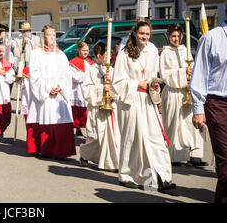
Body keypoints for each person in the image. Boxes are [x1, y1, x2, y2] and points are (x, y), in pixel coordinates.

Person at [112, 19, 176, 192]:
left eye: (147, 34)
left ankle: (162, 177)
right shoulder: (125, 52)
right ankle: (126, 175)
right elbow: (117, 82)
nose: (144, 37)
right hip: (130, 100)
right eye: (141, 33)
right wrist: (136, 84)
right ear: (134, 33)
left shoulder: (153, 50)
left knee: (155, 138)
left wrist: (155, 85)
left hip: (148, 100)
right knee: (132, 139)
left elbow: (154, 75)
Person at [191, 10, 227, 203]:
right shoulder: (211, 38)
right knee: (226, 162)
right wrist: (198, 109)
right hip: (218, 103)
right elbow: (199, 75)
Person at [160, 23, 207, 167]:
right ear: (168, 37)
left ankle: (195, 154)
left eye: (179, 36)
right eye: (173, 36)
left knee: (191, 122)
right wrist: (183, 72)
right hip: (173, 92)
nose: (176, 39)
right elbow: (164, 74)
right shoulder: (165, 53)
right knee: (175, 124)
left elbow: (193, 68)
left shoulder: (185, 50)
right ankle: (176, 155)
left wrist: (191, 73)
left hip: (186, 91)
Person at [28, 25, 76, 159]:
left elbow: (67, 74)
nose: (51, 38)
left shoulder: (61, 55)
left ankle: (61, 151)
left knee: (60, 118)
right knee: (44, 116)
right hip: (44, 94)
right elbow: (34, 74)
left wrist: (61, 86)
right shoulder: (36, 54)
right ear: (43, 37)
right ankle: (44, 149)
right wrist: (47, 88)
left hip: (60, 93)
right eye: (49, 35)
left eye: (54, 35)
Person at [79, 42, 120, 172]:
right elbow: (86, 90)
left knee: (110, 137)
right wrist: (102, 88)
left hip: (110, 108)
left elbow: (118, 88)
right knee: (96, 138)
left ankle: (109, 163)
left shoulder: (112, 70)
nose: (109, 59)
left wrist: (112, 82)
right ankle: (85, 155)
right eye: (106, 55)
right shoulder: (91, 70)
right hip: (96, 108)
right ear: (98, 55)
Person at [69, 42, 94, 137]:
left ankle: (88, 130)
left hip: (87, 89)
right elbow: (72, 76)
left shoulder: (90, 62)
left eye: (87, 50)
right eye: (83, 50)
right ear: (78, 50)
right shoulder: (73, 63)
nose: (85, 52)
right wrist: (84, 76)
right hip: (77, 90)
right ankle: (76, 129)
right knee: (76, 111)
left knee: (86, 112)